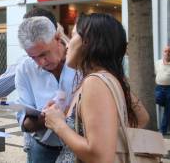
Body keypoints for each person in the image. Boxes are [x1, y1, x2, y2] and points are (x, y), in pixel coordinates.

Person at [43, 13, 149, 162]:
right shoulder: (107, 78)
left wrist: (58, 125)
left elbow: (100, 158)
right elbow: (142, 118)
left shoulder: (95, 83)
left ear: (87, 42)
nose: (67, 45)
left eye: (72, 36)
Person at [16, 16, 77, 163]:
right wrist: (44, 119)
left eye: (44, 54)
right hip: (43, 150)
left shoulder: (81, 62)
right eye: (33, 57)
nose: (41, 62)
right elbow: (25, 123)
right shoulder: (24, 69)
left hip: (79, 148)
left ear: (57, 37)